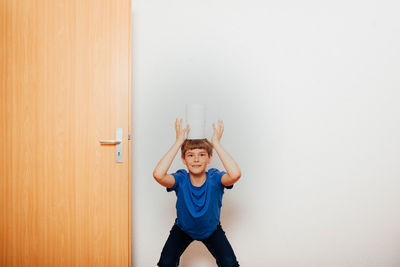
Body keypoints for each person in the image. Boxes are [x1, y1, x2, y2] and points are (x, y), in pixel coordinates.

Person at [153, 118, 242, 267]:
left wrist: (216, 144)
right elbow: (158, 175)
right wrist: (178, 142)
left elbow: (235, 175)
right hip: (183, 228)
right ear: (183, 159)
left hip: (211, 229)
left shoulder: (215, 178)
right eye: (190, 155)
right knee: (166, 263)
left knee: (229, 264)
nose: (196, 159)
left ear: (209, 158)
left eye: (202, 154)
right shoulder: (181, 178)